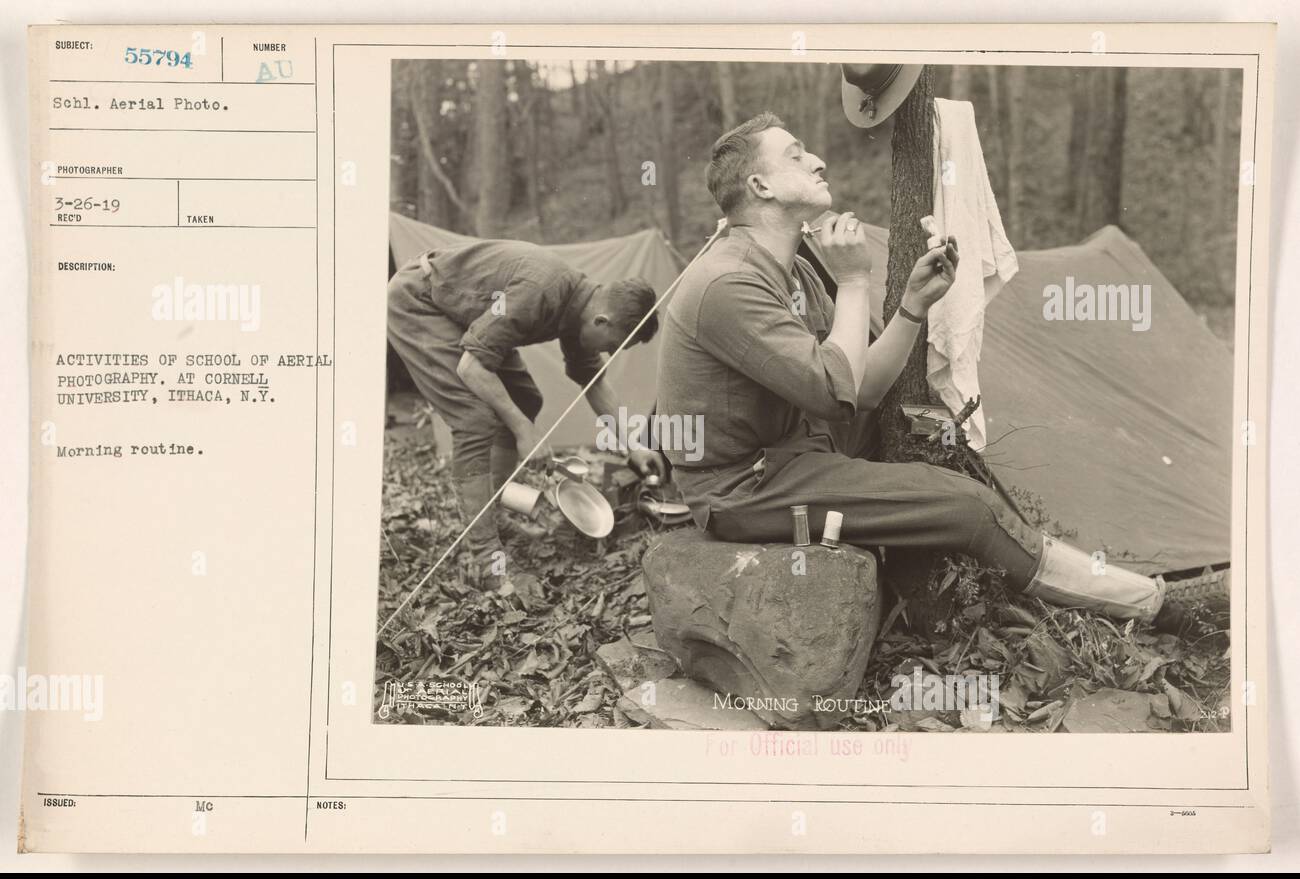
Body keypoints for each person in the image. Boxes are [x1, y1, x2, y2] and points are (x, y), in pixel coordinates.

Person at [647, 112, 1217, 633]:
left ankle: (1042, 559)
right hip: (745, 487)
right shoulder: (727, 282)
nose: (818, 160)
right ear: (760, 187)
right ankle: (1156, 606)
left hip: (794, 454)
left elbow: (865, 389)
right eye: (796, 155)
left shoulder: (789, 268)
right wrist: (851, 283)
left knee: (926, 435)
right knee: (968, 508)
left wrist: (913, 305)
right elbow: (835, 392)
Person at [388, 238, 657, 586]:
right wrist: (524, 433)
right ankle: (484, 557)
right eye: (613, 345)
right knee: (473, 418)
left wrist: (634, 445)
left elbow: (594, 383)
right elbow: (472, 367)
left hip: (458, 310)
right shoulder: (540, 291)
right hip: (419, 301)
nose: (609, 352)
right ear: (602, 322)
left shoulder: (584, 309)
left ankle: (492, 514)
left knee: (525, 398)